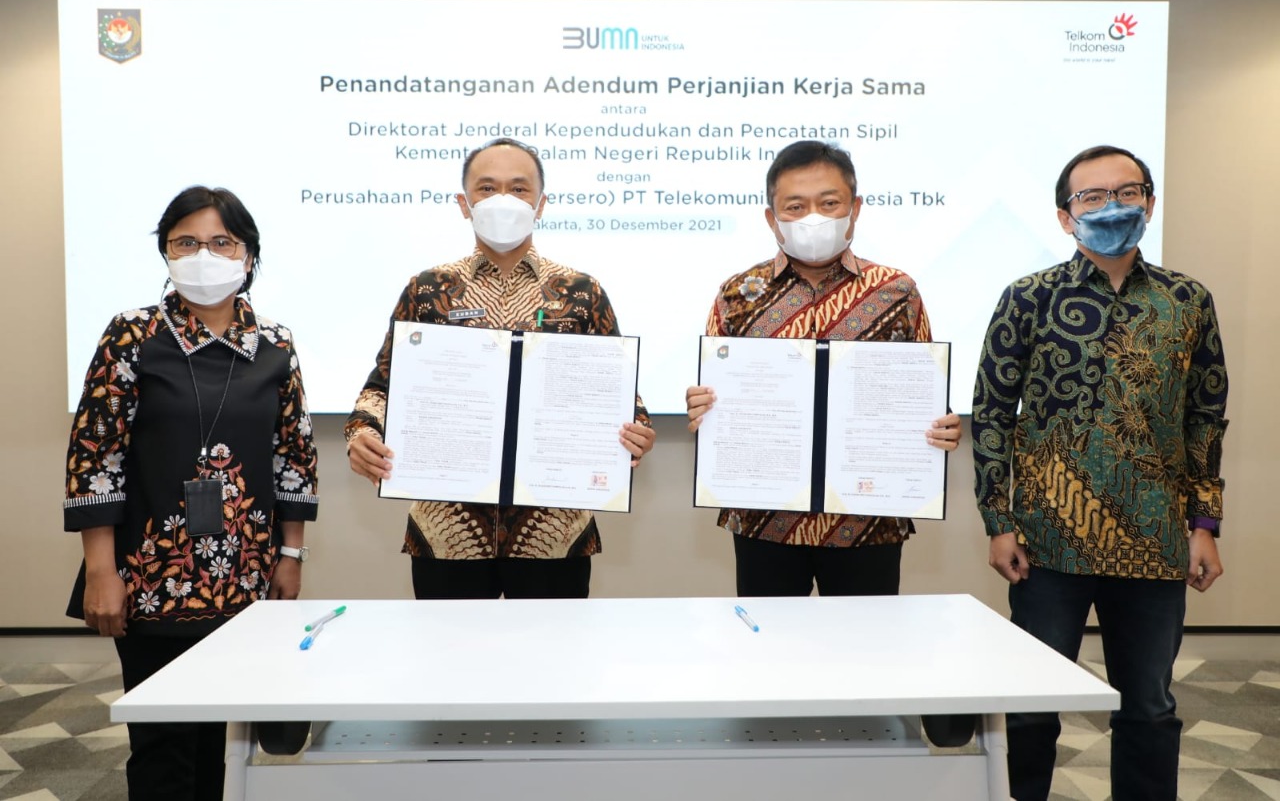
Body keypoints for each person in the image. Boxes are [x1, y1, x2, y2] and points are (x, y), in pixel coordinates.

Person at [971, 145, 1227, 801]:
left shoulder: (1188, 301)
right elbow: (993, 414)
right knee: (1030, 707)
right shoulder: (1027, 298)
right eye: (1092, 197)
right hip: (1048, 540)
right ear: (1066, 216)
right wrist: (998, 522)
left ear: (1150, 203)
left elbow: (1205, 419)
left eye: (1127, 192)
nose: (1112, 206)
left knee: (1149, 708)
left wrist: (1204, 524)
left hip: (1155, 540)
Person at [63, 186, 319, 801]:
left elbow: (294, 456)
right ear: (166, 253)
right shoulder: (132, 335)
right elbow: (96, 457)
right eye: (186, 243)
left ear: (248, 255)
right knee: (163, 746)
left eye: (221, 242)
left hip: (246, 576)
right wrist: (100, 571)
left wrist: (292, 555)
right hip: (151, 575)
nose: (204, 255)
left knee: (218, 743)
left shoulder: (276, 344)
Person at [346, 137, 654, 600]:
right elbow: (383, 386)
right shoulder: (428, 290)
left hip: (554, 532)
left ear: (541, 204)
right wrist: (361, 433)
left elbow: (619, 395)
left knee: (554, 647)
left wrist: (638, 428)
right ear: (464, 204)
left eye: (519, 188)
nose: (503, 199)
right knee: (448, 648)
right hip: (447, 531)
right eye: (487, 188)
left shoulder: (581, 292)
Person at [684, 140, 961, 597]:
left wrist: (941, 424)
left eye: (829, 203)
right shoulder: (737, 294)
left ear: (855, 208)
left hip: (867, 519)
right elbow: (716, 396)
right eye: (795, 206)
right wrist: (704, 408)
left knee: (866, 641)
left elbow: (922, 394)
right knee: (770, 638)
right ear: (772, 218)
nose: (813, 217)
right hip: (765, 519)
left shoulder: (897, 291)